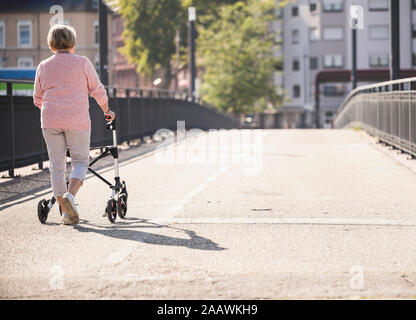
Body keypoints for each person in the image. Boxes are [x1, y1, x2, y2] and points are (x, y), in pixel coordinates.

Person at [33, 24, 115, 225]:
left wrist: (53, 110)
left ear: (51, 44)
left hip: (50, 120)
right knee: (80, 161)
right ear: (72, 42)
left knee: (56, 165)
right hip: (77, 120)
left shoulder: (43, 66)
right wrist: (107, 111)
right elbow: (97, 90)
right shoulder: (83, 63)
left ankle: (65, 211)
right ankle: (71, 197)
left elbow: (37, 99)